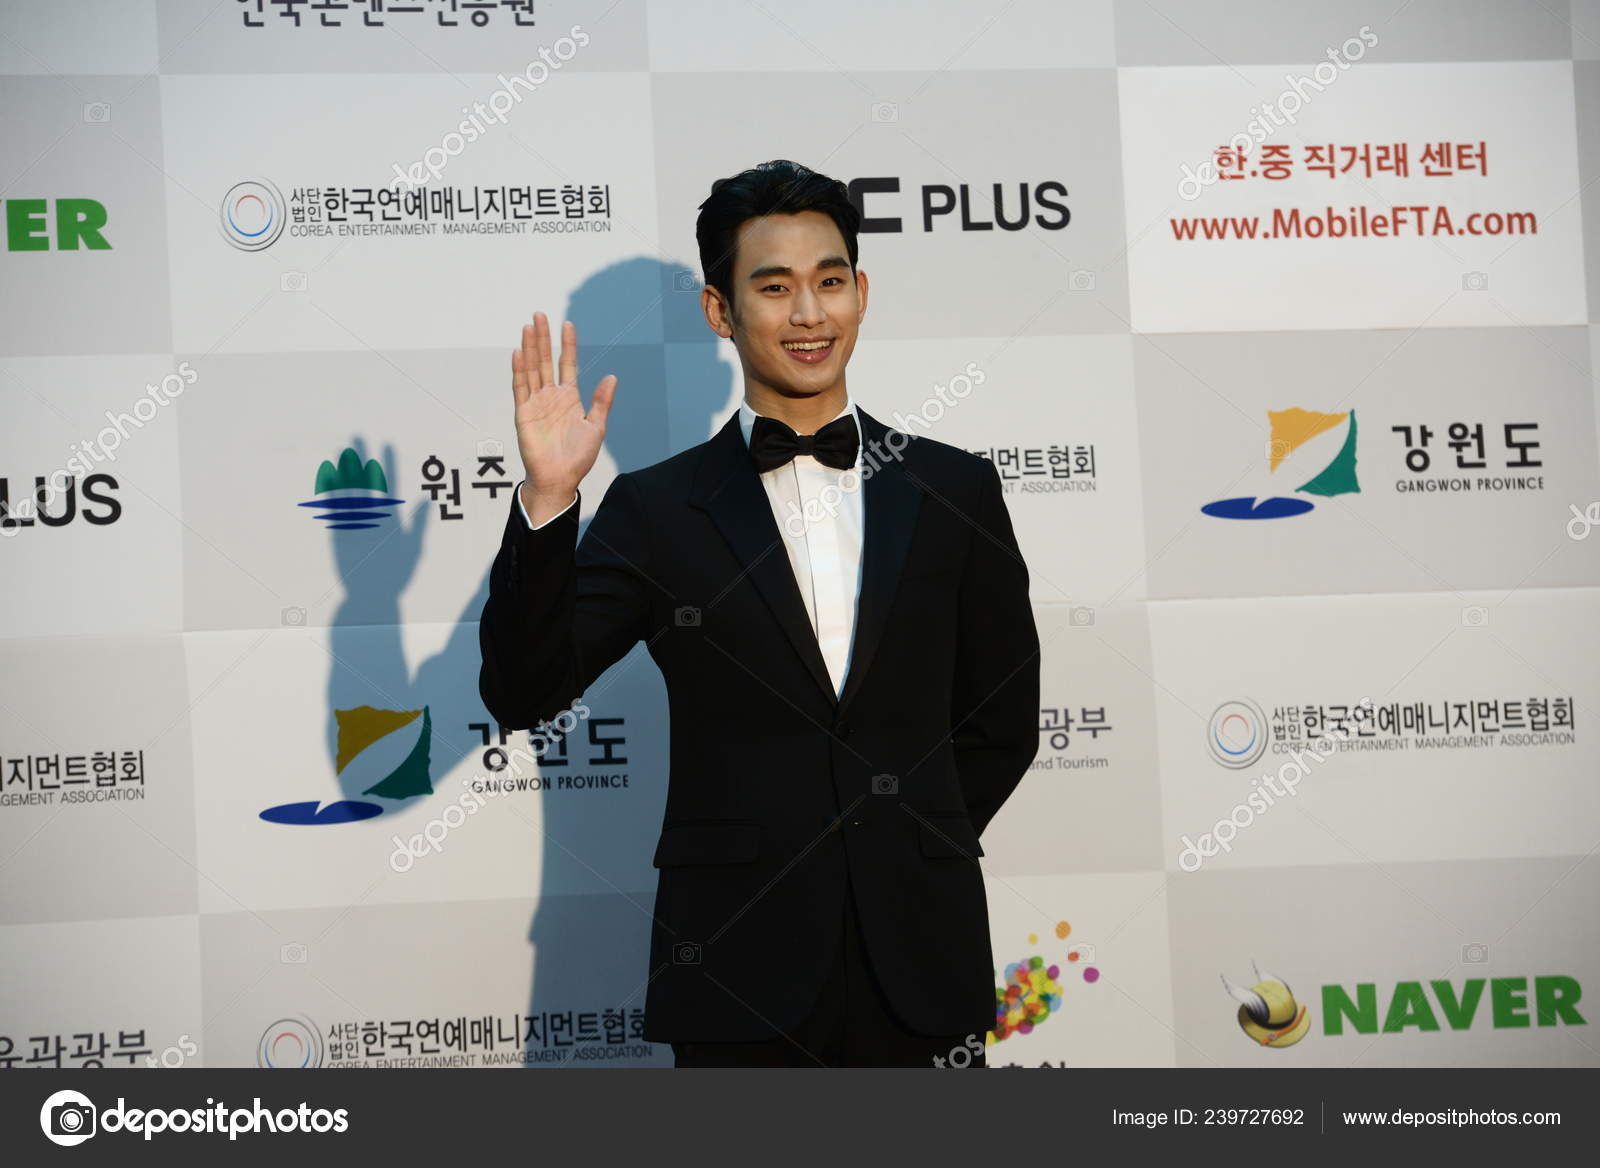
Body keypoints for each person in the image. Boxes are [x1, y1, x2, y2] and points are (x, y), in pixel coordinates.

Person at [479, 160, 1039, 1067]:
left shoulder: (955, 489)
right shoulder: (658, 510)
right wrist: (548, 503)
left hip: (920, 957)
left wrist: (903, 845)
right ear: (719, 311)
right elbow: (526, 691)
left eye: (829, 283)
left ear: (861, 292)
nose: (809, 315)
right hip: (737, 967)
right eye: (774, 288)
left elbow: (1003, 718)